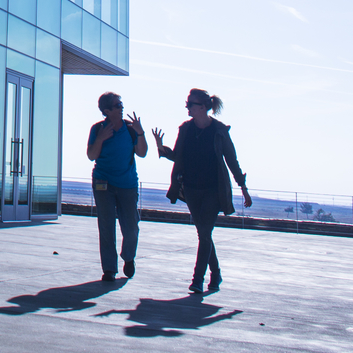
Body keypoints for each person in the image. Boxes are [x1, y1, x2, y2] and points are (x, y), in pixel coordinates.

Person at [151, 88, 250, 294]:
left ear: (203, 107)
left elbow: (232, 160)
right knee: (203, 234)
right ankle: (216, 274)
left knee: (204, 232)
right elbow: (178, 156)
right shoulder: (185, 129)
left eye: (190, 104)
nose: (187, 107)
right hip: (191, 189)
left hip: (214, 190)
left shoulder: (220, 131)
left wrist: (243, 188)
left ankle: (198, 279)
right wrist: (162, 148)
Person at [86, 91, 148, 283]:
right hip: (103, 182)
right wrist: (101, 138)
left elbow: (142, 153)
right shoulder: (97, 129)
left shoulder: (130, 129)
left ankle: (128, 257)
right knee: (106, 227)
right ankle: (109, 269)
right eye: (118, 105)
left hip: (127, 184)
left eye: (121, 105)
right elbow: (91, 156)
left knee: (131, 228)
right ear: (107, 110)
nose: (122, 108)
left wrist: (140, 132)